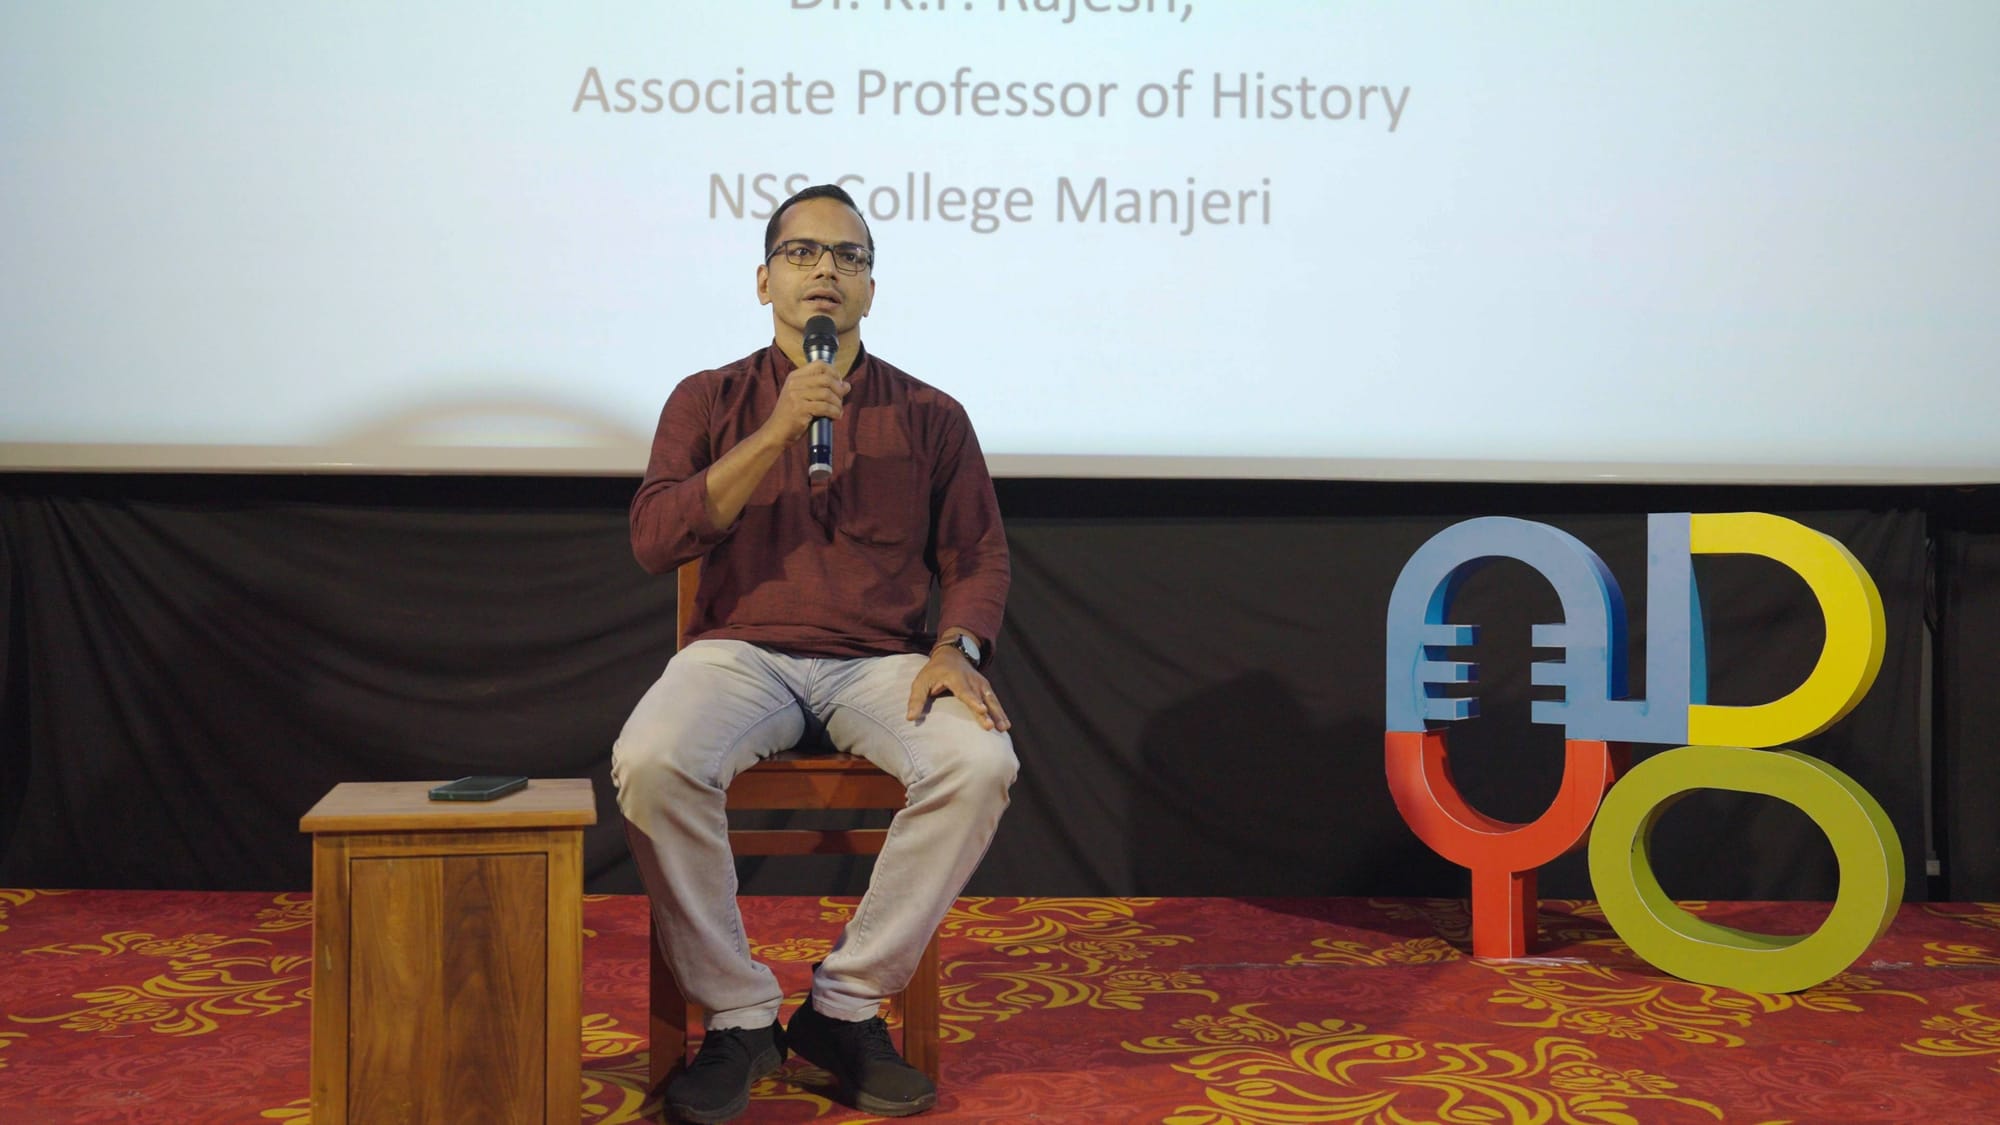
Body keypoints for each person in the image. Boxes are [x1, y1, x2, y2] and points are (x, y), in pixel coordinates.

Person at [612, 183, 1018, 1124]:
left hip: (880, 661)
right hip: (739, 652)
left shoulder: (931, 413)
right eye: (801, 253)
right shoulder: (709, 397)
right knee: (653, 758)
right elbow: (655, 538)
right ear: (764, 282)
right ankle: (739, 1014)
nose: (826, 269)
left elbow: (977, 553)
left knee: (980, 762)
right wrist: (777, 431)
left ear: (871, 289)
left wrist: (956, 645)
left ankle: (844, 1004)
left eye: (848, 256)